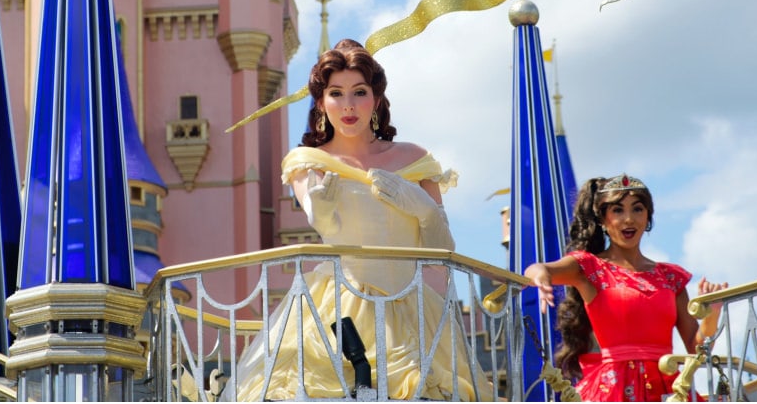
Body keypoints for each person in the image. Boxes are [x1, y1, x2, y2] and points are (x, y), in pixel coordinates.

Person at [226, 39, 491, 401]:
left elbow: (442, 251)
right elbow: (330, 231)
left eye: (359, 92)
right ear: (321, 102)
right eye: (336, 93)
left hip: (411, 310)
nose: (348, 105)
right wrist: (322, 211)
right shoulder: (308, 162)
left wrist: (424, 209)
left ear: (377, 99)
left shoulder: (415, 159)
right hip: (338, 306)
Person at [523, 175, 728, 401]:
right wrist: (540, 277)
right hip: (613, 390)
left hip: (666, 388)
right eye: (618, 211)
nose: (629, 219)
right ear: (602, 219)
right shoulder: (590, 267)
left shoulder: (671, 277)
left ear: (648, 217)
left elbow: (695, 349)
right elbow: (539, 268)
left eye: (638, 209)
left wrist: (712, 315)